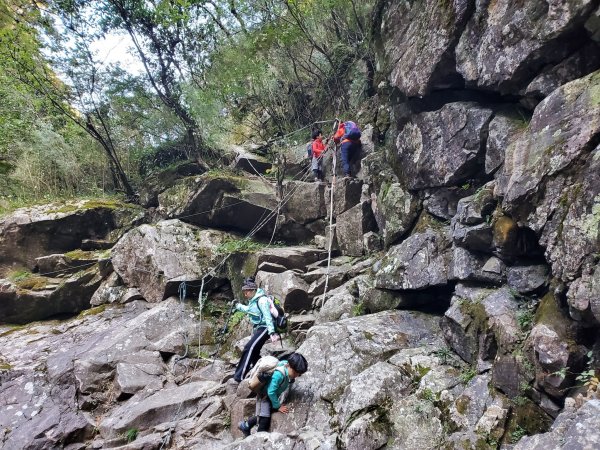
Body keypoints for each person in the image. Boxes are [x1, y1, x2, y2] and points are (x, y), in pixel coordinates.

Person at [238, 353, 308, 436]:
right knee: (264, 419)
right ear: (288, 365)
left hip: (270, 396)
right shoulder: (279, 375)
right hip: (264, 396)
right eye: (295, 372)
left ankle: (246, 425)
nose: (296, 375)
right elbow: (271, 391)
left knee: (266, 412)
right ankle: (259, 439)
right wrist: (278, 406)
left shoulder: (286, 367)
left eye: (298, 374)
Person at [233, 278, 279, 382]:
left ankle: (239, 376)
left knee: (249, 347)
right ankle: (259, 370)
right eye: (244, 292)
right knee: (254, 350)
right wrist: (238, 306)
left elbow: (268, 316)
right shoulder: (253, 300)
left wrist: (272, 332)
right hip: (259, 327)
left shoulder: (261, 300)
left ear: (253, 290)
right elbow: (249, 310)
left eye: (246, 292)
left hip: (265, 327)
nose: (245, 294)